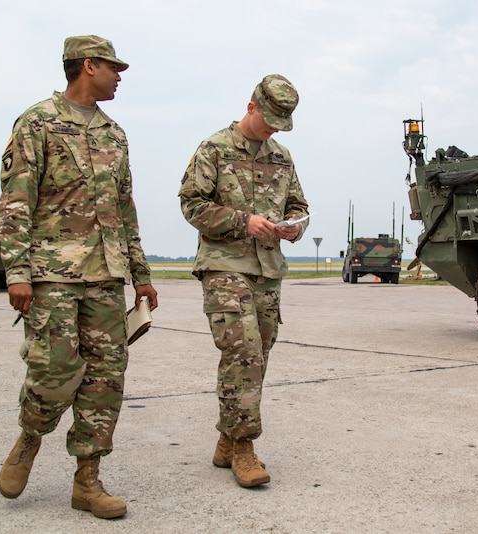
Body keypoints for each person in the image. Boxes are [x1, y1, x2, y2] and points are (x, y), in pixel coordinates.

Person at [0, 35, 158, 519]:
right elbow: (16, 201)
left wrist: (141, 275)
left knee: (106, 379)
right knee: (54, 370)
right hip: (52, 274)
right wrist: (17, 272)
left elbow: (124, 209)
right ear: (88, 66)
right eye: (113, 67)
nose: (119, 75)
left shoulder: (115, 134)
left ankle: (87, 479)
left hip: (107, 276)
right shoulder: (37, 122)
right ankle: (30, 435)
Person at [178, 74, 309, 488]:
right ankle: (245, 448)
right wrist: (241, 221)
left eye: (280, 123)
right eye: (268, 118)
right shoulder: (214, 149)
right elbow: (190, 203)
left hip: (268, 271)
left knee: (258, 357)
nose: (272, 128)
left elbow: (298, 203)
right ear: (251, 106)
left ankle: (226, 435)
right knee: (245, 352)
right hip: (223, 265)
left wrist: (295, 227)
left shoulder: (282, 157)